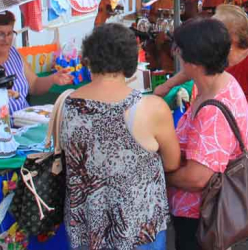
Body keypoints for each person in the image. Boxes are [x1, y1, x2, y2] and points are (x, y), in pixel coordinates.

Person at [157, 5, 248, 250]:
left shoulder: (217, 105)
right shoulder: (224, 77)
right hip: (219, 193)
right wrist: (167, 86)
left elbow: (198, 179)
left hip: (205, 208)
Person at [60, 24, 180, 250]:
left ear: (88, 58)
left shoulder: (68, 104)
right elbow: (172, 163)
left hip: (87, 228)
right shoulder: (151, 107)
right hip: (138, 228)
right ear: (131, 61)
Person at [165, 18, 248, 250]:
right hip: (205, 211)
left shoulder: (213, 112)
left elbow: (197, 179)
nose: (177, 56)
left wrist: (161, 177)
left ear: (193, 61)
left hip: (200, 215)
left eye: (180, 51)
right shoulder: (222, 81)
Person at [0, 11, 73, 122]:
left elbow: (34, 85)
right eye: (0, 34)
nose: (7, 39)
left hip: (24, 122)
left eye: (10, 33)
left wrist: (52, 79)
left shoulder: (14, 54)